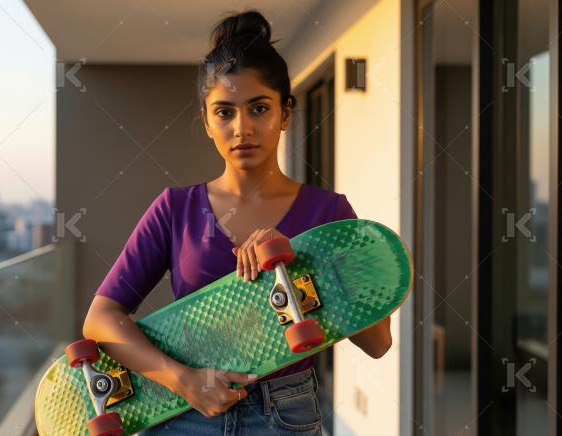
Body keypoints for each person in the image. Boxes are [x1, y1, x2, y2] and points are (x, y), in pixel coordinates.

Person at [82, 9, 392, 435]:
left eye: (259, 108)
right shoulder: (175, 209)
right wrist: (181, 380)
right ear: (207, 122)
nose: (242, 128)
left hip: (287, 414)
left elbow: (378, 343)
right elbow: (101, 318)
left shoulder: (329, 212)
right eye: (224, 112)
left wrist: (302, 260)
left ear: (285, 114)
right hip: (184, 413)